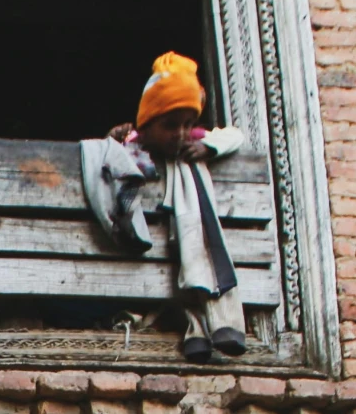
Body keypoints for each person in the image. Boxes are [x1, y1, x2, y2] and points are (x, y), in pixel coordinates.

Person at [79, 52, 247, 361]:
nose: (182, 134)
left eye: (189, 124)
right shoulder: (133, 142)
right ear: (147, 123)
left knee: (194, 261)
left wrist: (208, 146)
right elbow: (110, 164)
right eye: (171, 125)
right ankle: (193, 330)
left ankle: (210, 330)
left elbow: (235, 135)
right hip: (151, 248)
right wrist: (113, 139)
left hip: (186, 231)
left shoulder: (192, 142)